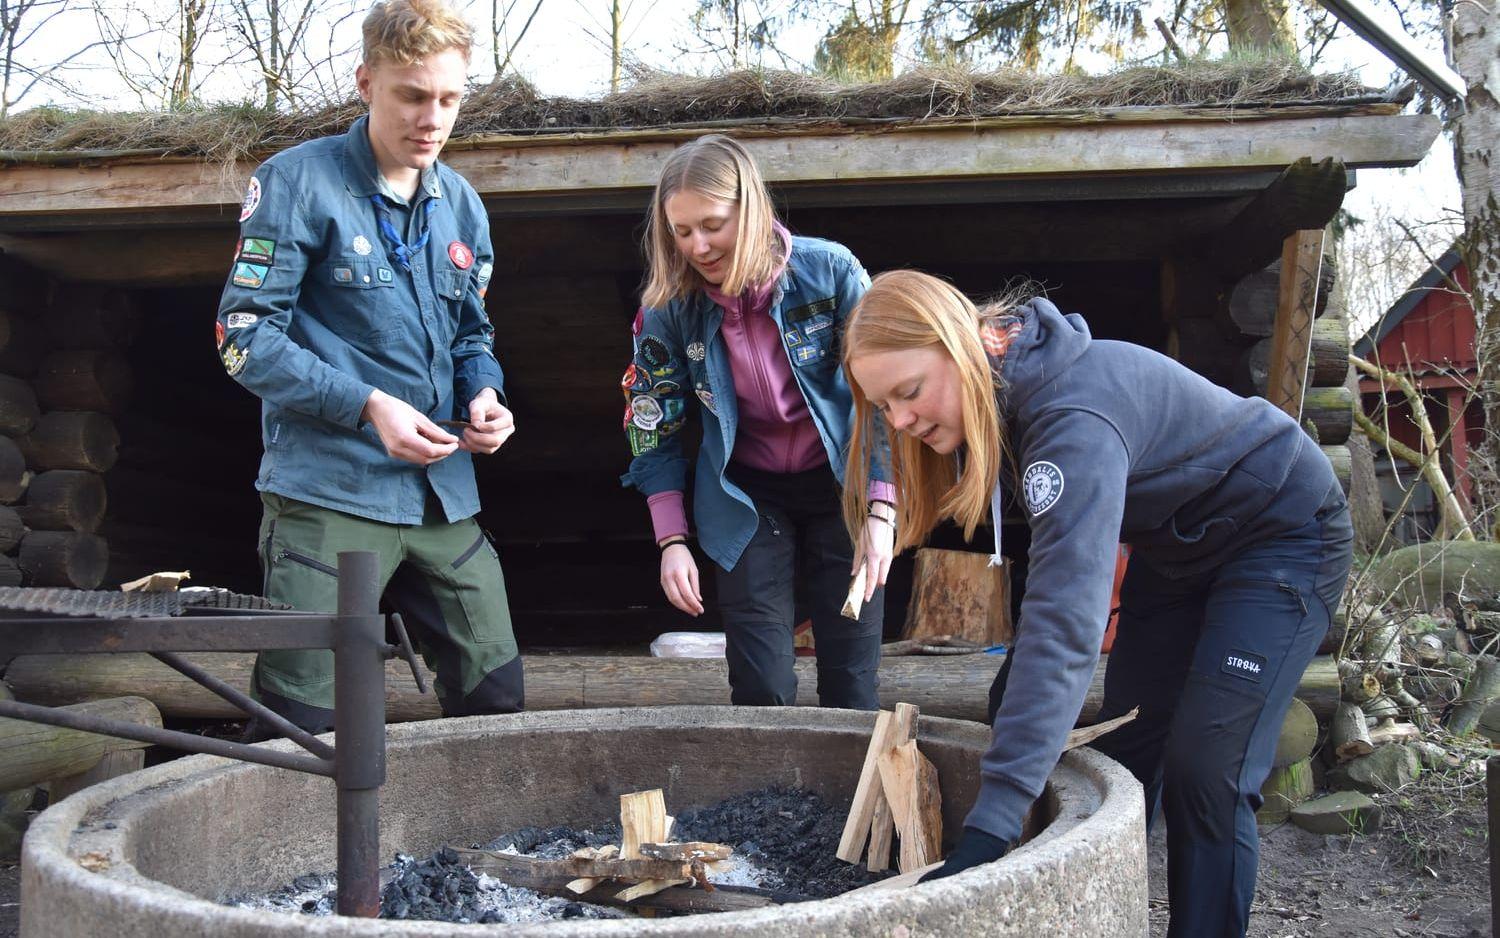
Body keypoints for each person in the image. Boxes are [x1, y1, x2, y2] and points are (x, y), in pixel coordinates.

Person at [840, 270, 1351, 937]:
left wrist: (990, 829)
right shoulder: (1006, 397)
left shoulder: (1069, 418)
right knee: (1126, 748)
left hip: (1282, 534)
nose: (901, 419)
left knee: (1206, 771)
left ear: (964, 345)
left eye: (909, 392)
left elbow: (1067, 618)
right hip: (1179, 551)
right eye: (885, 407)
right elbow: (1057, 580)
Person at [214, 0, 523, 735]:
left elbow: (471, 335)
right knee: (305, 722)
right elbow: (242, 338)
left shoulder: (464, 206)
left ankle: (457, 854)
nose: (433, 118)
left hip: (442, 498)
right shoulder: (295, 183)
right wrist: (366, 405)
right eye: (412, 95)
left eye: (449, 99)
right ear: (366, 82)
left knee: (497, 695)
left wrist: (485, 391)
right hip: (328, 492)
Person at [619, 134, 895, 709]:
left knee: (852, 678)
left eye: (712, 224)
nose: (697, 245)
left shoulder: (831, 271)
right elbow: (653, 426)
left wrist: (881, 508)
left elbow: (887, 399)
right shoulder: (666, 310)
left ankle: (855, 797)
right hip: (744, 496)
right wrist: (671, 540)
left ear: (751, 209)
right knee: (762, 684)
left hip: (841, 485)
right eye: (681, 230)